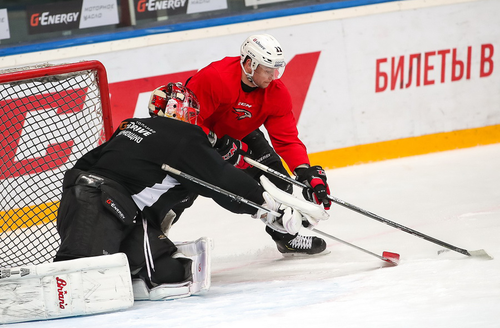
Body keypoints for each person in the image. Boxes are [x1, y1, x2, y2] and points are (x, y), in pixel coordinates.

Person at [54, 83, 323, 298]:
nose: (193, 119)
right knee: (75, 283)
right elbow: (221, 179)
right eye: (190, 113)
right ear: (180, 111)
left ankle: (124, 264)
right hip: (102, 204)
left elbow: (83, 165)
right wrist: (267, 208)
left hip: (89, 202)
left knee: (173, 272)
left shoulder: (131, 126)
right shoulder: (182, 136)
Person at [185, 33, 332, 256]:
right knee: (190, 192)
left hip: (241, 133)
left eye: (277, 69)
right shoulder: (215, 78)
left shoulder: (276, 93)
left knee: (281, 185)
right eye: (267, 69)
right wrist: (216, 143)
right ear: (249, 64)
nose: (273, 76)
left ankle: (287, 238)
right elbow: (186, 119)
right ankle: (151, 238)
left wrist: (305, 171)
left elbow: (287, 138)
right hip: (197, 141)